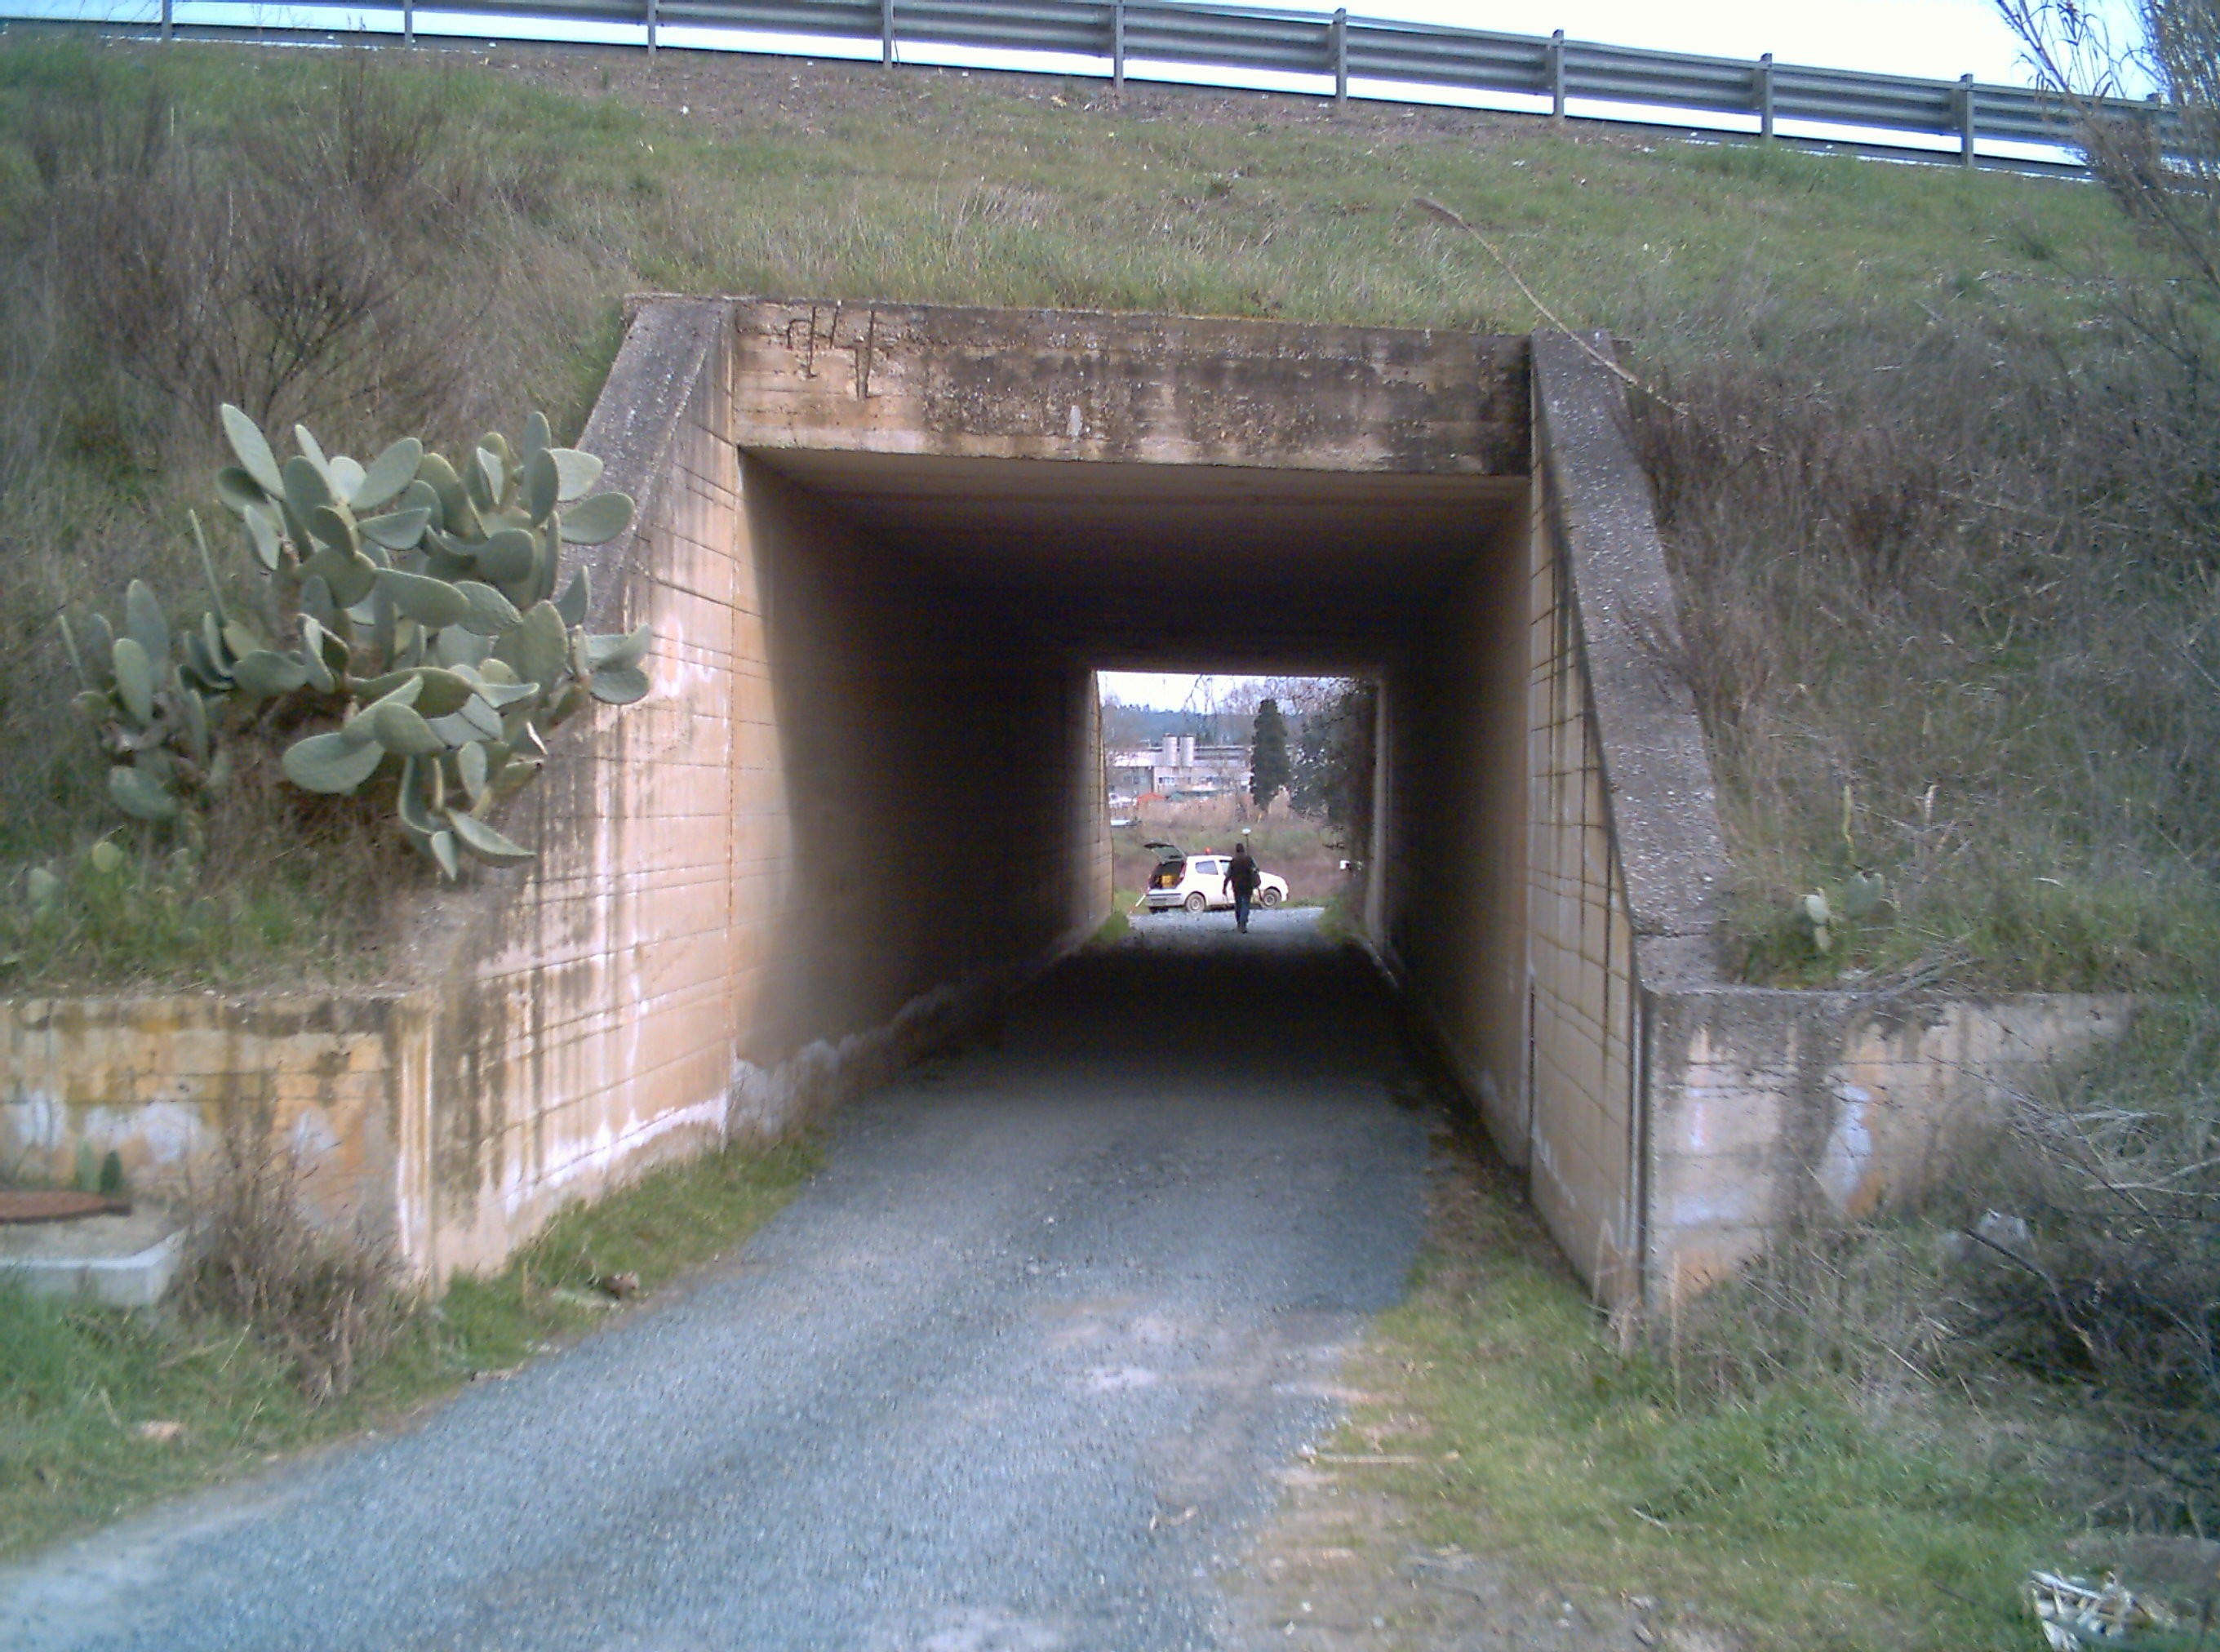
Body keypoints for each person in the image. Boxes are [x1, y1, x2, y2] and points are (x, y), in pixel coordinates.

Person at [1222, 842, 1263, 933]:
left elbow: (1228, 875)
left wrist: (1224, 887)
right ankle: (1242, 924)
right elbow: (1256, 869)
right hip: (1247, 886)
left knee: (1238, 905)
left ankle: (1239, 923)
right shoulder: (1249, 859)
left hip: (1236, 886)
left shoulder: (1233, 861)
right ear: (1244, 850)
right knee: (1245, 905)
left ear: (1236, 851)